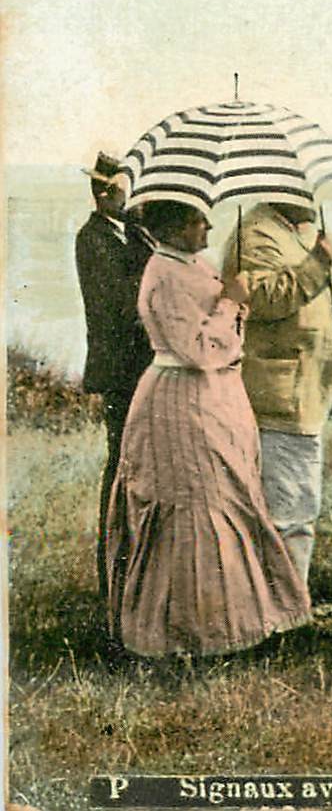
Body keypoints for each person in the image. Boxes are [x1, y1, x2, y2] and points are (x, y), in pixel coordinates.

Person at [105, 198, 310, 657]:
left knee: (228, 497)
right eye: (199, 219)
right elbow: (196, 349)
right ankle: (193, 633)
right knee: (197, 504)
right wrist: (230, 303)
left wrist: (232, 302)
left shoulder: (190, 264)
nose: (209, 226)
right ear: (175, 227)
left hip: (212, 396)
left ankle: (235, 622)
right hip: (182, 401)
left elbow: (221, 333)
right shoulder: (164, 272)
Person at [223, 201, 332, 590]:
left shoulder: (291, 229)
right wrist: (317, 263)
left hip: (298, 392)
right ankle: (281, 610)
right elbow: (263, 300)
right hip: (279, 396)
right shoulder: (256, 232)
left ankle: (283, 603)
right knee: (288, 509)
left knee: (297, 503)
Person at [74, 151, 155, 604]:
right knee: (120, 467)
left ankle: (129, 568)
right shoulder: (93, 239)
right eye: (116, 188)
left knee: (131, 465)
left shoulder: (124, 233)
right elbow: (126, 299)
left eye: (122, 187)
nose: (121, 195)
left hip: (134, 370)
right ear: (103, 192)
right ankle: (112, 572)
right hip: (121, 374)